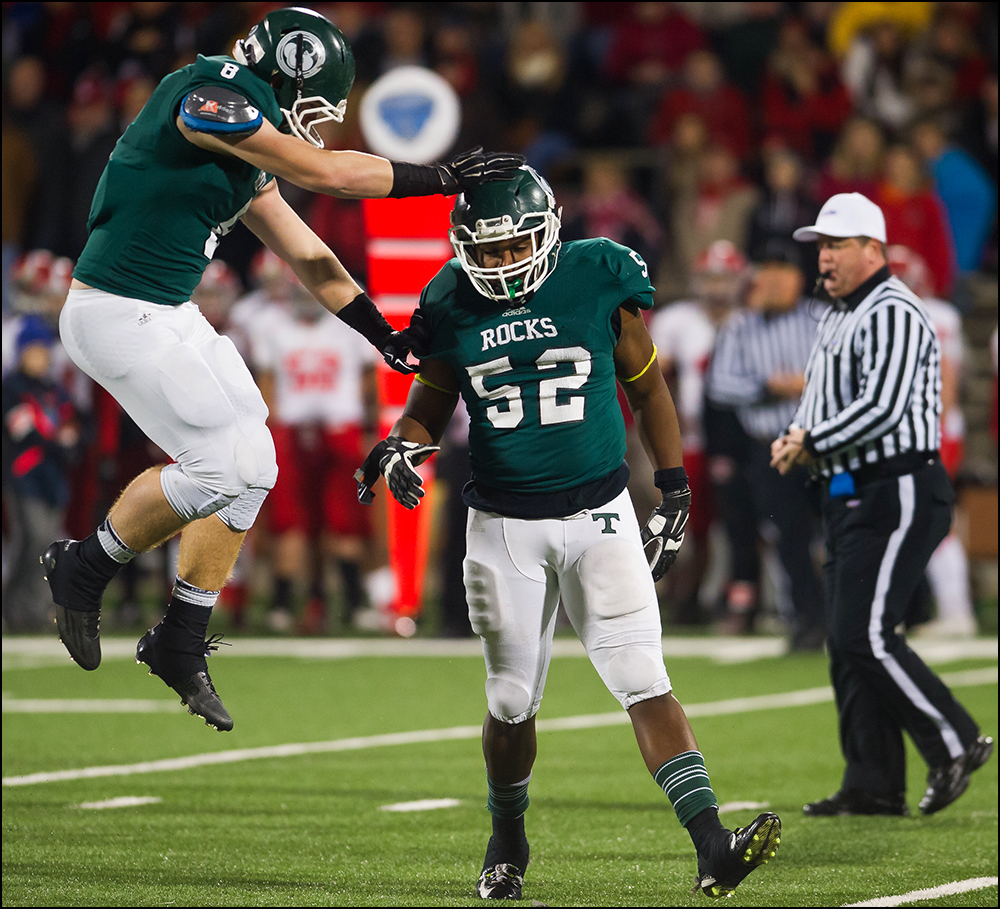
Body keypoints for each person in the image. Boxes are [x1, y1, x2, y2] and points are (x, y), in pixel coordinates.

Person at [42, 6, 524, 732]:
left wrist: (378, 331)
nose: (315, 121)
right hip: (114, 308)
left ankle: (180, 632)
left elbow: (310, 258)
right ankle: (86, 563)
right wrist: (443, 176)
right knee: (217, 466)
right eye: (315, 102)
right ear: (288, 70)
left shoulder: (246, 141)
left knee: (254, 463)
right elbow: (324, 171)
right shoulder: (205, 96)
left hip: (164, 309)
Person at [355, 166, 780, 901]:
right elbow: (435, 389)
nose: (496, 263)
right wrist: (403, 441)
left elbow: (647, 386)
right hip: (503, 525)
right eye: (481, 251)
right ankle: (507, 836)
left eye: (510, 244)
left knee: (644, 678)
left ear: (548, 229)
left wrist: (674, 486)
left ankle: (712, 842)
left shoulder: (595, 274)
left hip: (601, 515)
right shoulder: (450, 297)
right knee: (512, 698)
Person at [771, 192, 993, 816]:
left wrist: (808, 440)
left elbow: (885, 407)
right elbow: (827, 401)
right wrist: (801, 435)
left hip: (896, 485)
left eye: (837, 245)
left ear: (874, 249)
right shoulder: (839, 311)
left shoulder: (892, 308)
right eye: (821, 245)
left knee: (862, 632)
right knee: (847, 640)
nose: (825, 257)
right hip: (851, 492)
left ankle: (953, 740)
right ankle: (872, 782)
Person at [705, 240, 826, 651]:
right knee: (788, 537)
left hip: (825, 446)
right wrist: (766, 388)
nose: (773, 280)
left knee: (843, 532)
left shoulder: (821, 318)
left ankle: (852, 617)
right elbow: (720, 386)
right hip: (770, 448)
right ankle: (809, 621)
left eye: (782, 271)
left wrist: (809, 384)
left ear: (799, 279)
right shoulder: (740, 326)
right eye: (767, 270)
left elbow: (849, 372)